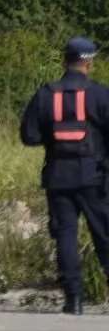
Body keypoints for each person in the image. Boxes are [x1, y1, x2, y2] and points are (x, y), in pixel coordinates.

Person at [20, 37, 109, 315]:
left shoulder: (47, 93)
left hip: (58, 176)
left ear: (64, 61)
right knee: (105, 235)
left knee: (66, 237)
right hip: (95, 175)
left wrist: (53, 137)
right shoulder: (100, 94)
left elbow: (29, 136)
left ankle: (74, 300)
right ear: (89, 63)